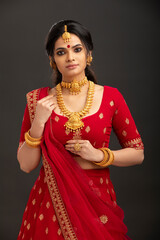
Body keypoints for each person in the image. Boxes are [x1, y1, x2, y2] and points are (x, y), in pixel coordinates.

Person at [17, 20, 144, 240]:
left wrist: (100, 155)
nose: (70, 58)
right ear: (52, 60)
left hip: (96, 199)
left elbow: (138, 153)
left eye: (77, 49)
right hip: (52, 203)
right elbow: (26, 165)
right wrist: (38, 123)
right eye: (61, 52)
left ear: (88, 54)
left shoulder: (112, 97)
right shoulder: (38, 100)